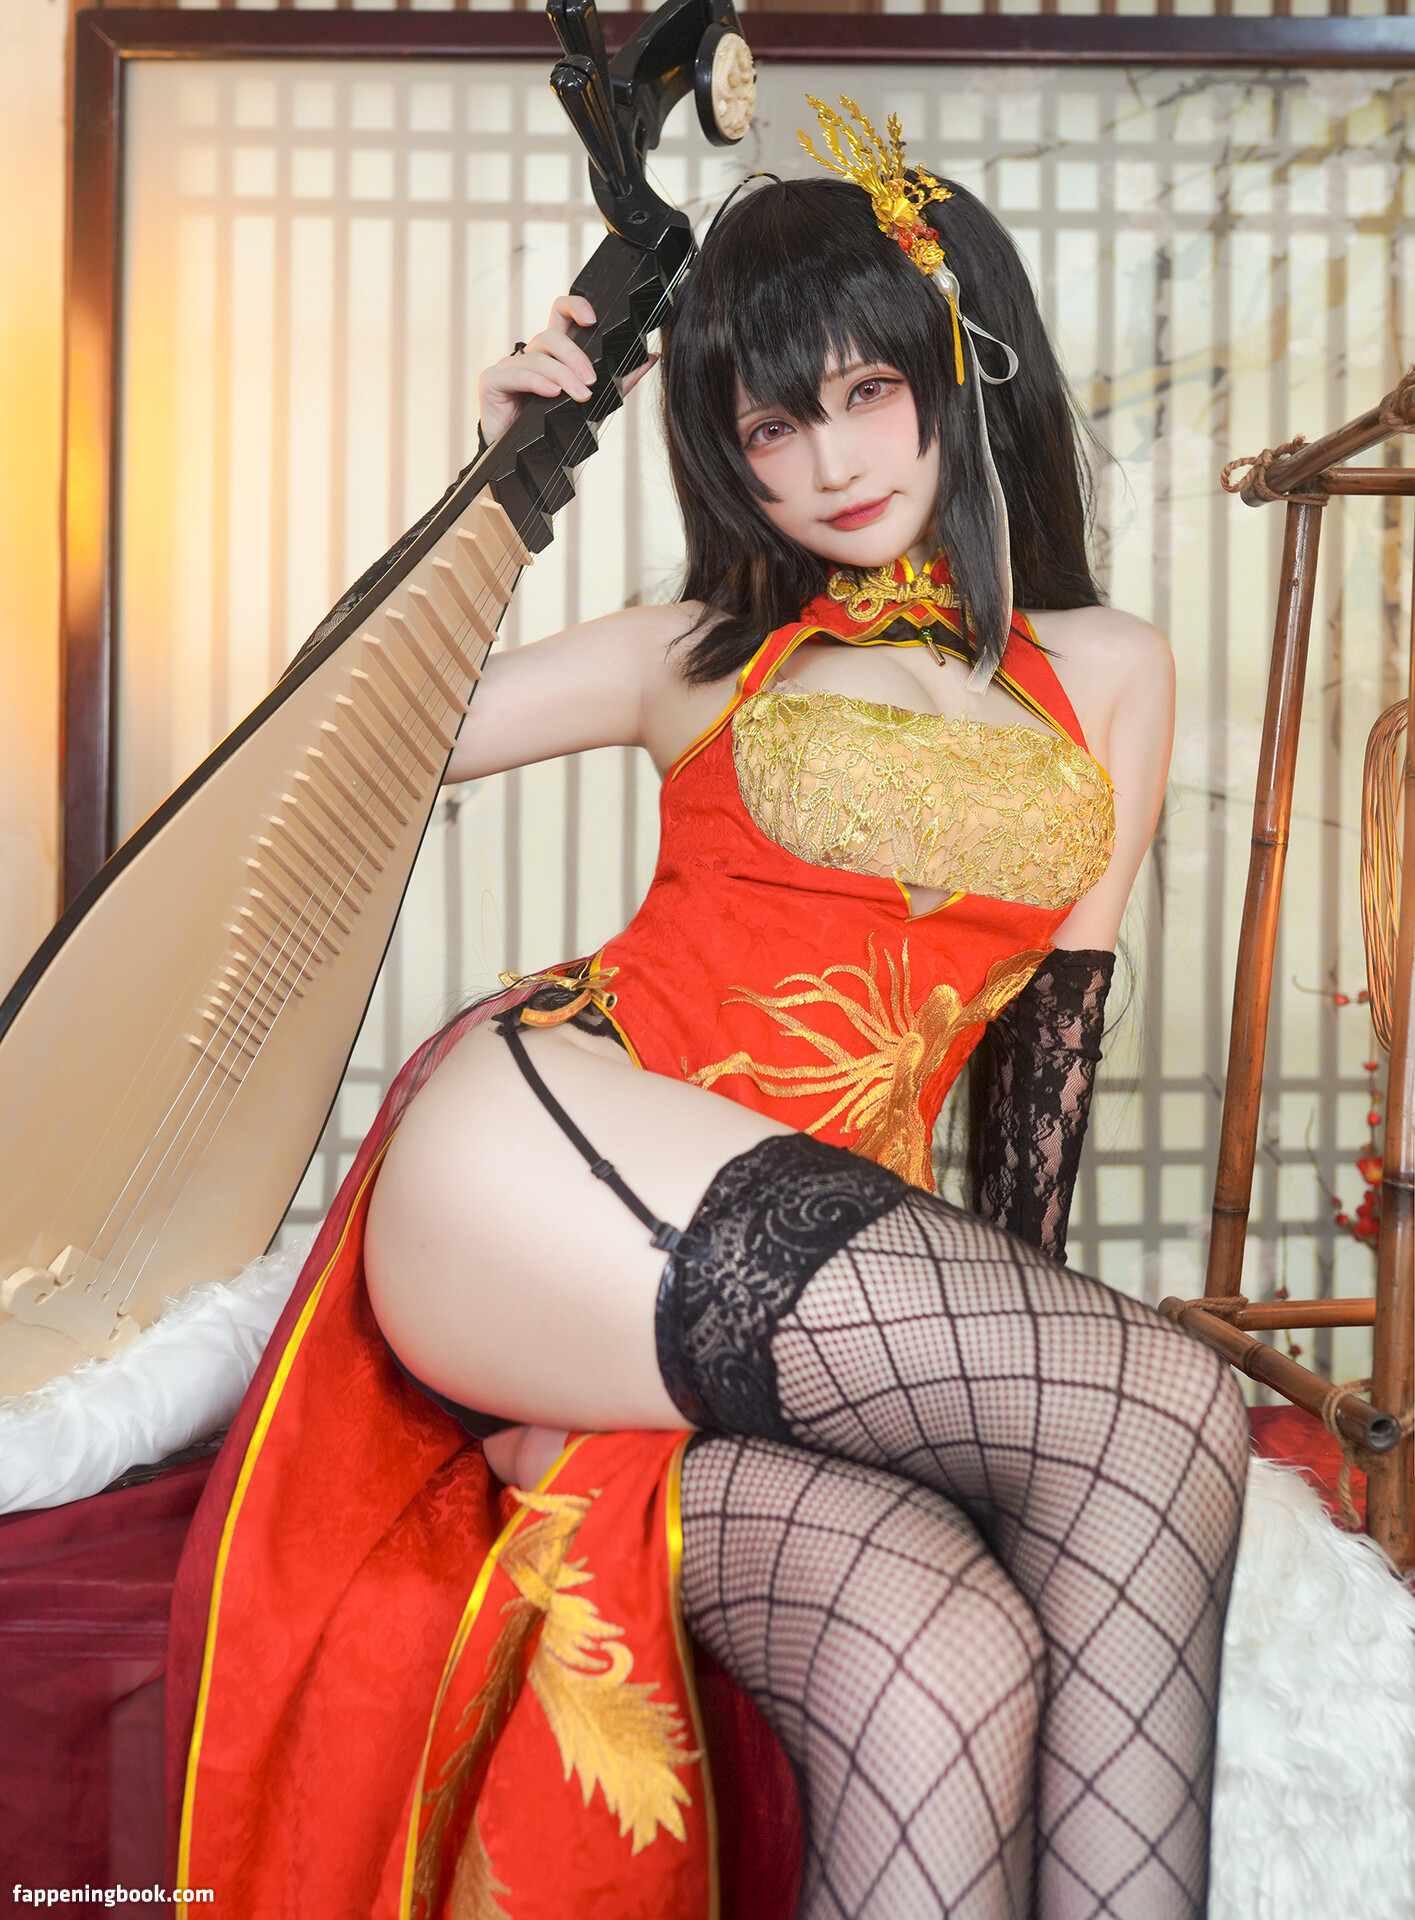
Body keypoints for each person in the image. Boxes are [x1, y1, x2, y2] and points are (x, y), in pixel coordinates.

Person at [169, 129, 1247, 1920]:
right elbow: (323, 742)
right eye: (772, 428)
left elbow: (1042, 1058)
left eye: (868, 393)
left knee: (946, 1650)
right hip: (546, 1169)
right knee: (1164, 1399)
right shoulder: (688, 652)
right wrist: (498, 487)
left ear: (960, 366)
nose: (831, 464)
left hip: (780, 1303)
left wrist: (1006, 1388)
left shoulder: (1115, 669)